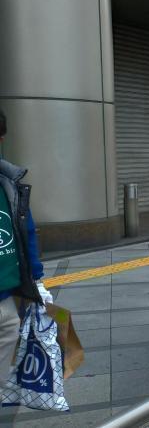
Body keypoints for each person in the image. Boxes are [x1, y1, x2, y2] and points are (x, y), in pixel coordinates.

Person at [0, 110, 53, 378]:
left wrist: (38, 280)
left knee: (8, 335)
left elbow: (27, 231)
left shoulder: (9, 183)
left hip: (7, 298)